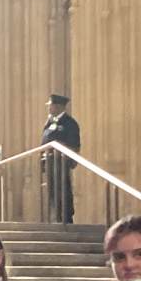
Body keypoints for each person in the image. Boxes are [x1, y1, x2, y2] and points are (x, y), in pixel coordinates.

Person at [40, 96, 80, 225]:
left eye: (51, 105)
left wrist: (70, 158)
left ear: (59, 107)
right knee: (52, 192)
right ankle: (55, 217)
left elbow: (74, 144)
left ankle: (66, 218)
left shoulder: (69, 123)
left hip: (62, 163)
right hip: (50, 162)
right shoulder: (50, 122)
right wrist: (42, 162)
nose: (49, 108)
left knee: (63, 191)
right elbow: (44, 142)